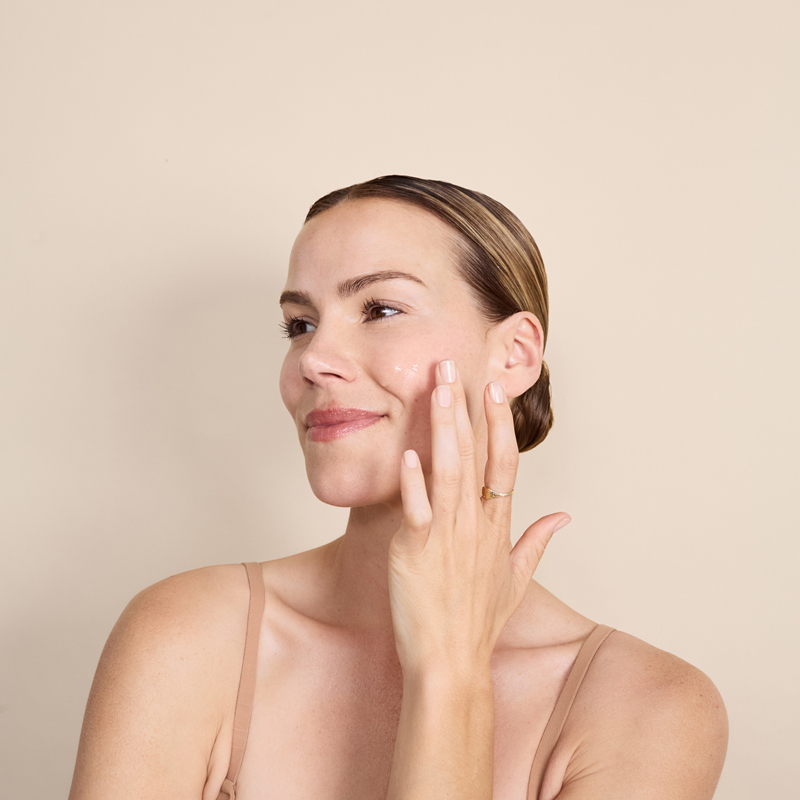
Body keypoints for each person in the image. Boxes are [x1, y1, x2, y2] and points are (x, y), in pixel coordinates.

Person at [69, 176, 728, 800]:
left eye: (380, 308)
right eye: (299, 325)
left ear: (515, 355)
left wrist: (450, 672)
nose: (314, 360)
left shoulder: (652, 705)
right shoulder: (188, 633)